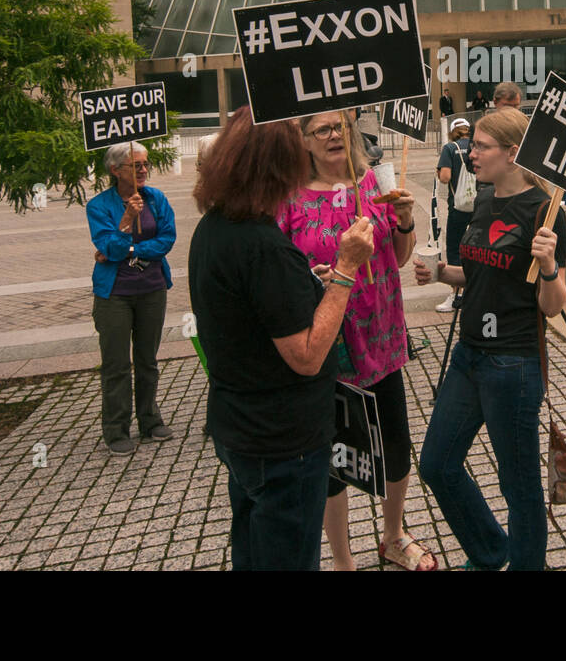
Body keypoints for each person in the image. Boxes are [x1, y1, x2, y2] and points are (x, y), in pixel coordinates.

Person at [188, 108, 374, 570]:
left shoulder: (214, 227)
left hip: (241, 429)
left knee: (254, 552)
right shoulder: (262, 246)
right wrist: (346, 270)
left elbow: (257, 313)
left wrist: (309, 285)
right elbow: (308, 355)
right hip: (282, 443)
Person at [415, 108, 566, 571]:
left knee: (518, 486)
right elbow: (481, 272)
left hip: (514, 365)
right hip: (469, 355)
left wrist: (548, 265)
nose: (471, 152)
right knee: (437, 465)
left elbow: (552, 304)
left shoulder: (545, 211)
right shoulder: (482, 199)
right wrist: (443, 273)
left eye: (481, 146)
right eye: (471, 144)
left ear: (513, 152)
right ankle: (488, 551)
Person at [278, 112, 431, 571]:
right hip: (327, 348)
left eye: (340, 127)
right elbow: (281, 275)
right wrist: (314, 277)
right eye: (320, 130)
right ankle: (343, 560)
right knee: (335, 461)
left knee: (397, 446)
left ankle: (393, 535)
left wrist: (404, 222)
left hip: (382, 342)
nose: (333, 136)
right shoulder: (290, 200)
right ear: (304, 141)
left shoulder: (375, 185)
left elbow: (399, 259)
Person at [87, 141, 177, 455]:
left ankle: (150, 420)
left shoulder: (157, 199)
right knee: (116, 364)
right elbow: (107, 245)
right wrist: (126, 220)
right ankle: (116, 430)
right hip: (115, 295)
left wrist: (130, 251)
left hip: (152, 289)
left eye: (145, 164)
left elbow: (167, 240)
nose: (142, 170)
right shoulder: (99, 206)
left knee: (147, 360)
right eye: (135, 165)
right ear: (115, 170)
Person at [434, 118, 474, 313]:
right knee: (478, 247)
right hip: (481, 205)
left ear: (452, 131)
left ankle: (456, 294)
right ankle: (476, 291)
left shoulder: (450, 148)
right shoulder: (477, 145)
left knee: (455, 248)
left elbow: (445, 178)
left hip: (458, 207)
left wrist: (438, 171)